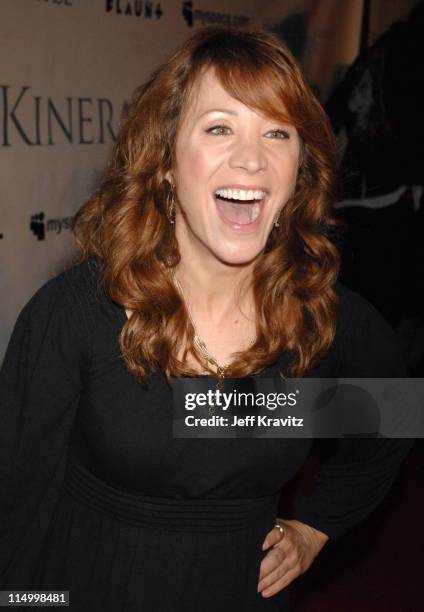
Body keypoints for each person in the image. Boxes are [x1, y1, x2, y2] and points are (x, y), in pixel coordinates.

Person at [0, 26, 414, 611]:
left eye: (278, 133)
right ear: (166, 161)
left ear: (300, 168)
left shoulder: (316, 318)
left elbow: (393, 417)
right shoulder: (78, 314)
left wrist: (317, 526)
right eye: (220, 127)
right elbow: (15, 506)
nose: (251, 159)